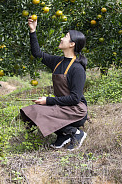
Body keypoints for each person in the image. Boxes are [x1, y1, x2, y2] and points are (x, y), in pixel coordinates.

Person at [20, 17, 88, 150]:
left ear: (72, 44)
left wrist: (48, 100)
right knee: (29, 112)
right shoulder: (57, 61)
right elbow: (37, 54)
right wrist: (33, 30)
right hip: (61, 107)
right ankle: (63, 135)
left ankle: (76, 132)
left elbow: (75, 98)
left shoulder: (77, 69)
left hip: (75, 110)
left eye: (66, 36)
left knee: (37, 111)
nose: (62, 38)